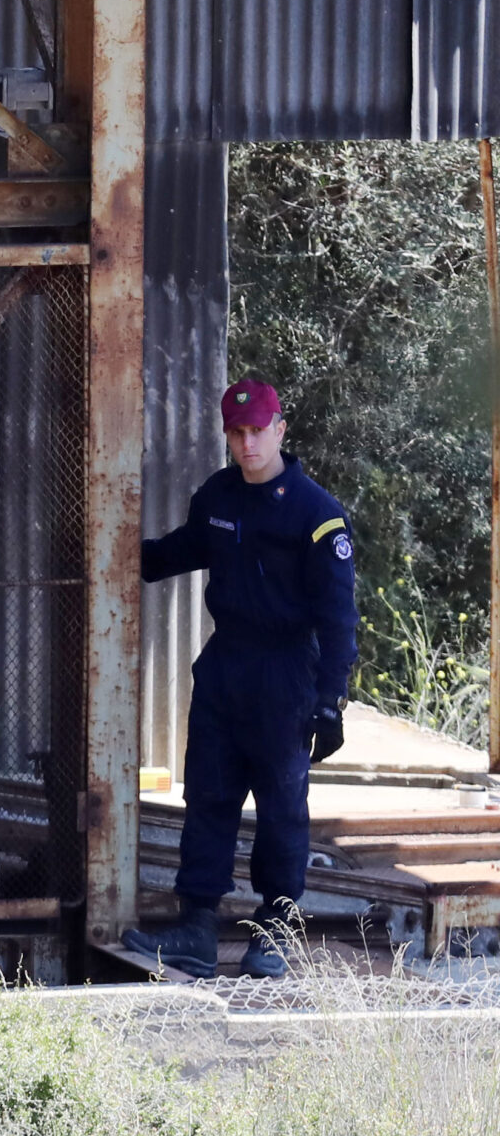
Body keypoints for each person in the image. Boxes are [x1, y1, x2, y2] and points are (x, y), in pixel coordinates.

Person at [125, 378, 357, 980]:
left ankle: (274, 930)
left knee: (281, 806)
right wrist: (117, 553)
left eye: (258, 431)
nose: (248, 444)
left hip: (286, 673)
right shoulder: (218, 496)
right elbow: (182, 549)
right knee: (208, 794)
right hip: (226, 665)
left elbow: (338, 619)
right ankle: (197, 929)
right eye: (237, 433)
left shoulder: (317, 514)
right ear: (228, 437)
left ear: (280, 430)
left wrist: (330, 700)